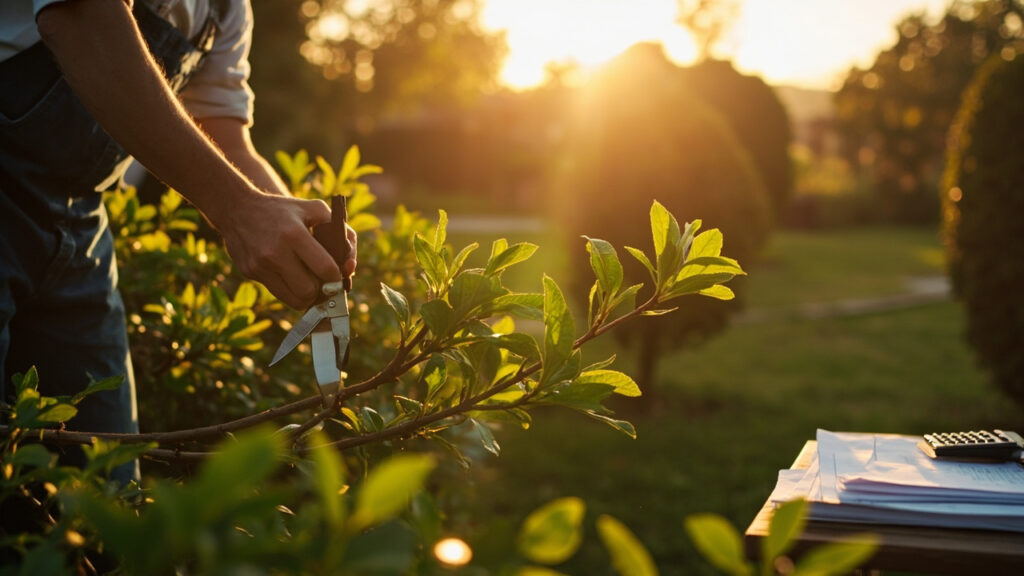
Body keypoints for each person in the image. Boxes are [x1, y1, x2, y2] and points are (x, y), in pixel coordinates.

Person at [0, 0, 357, 482]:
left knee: (103, 485)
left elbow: (226, 140)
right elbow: (81, 18)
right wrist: (238, 209)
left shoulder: (224, 11)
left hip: (81, 226)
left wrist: (291, 224)